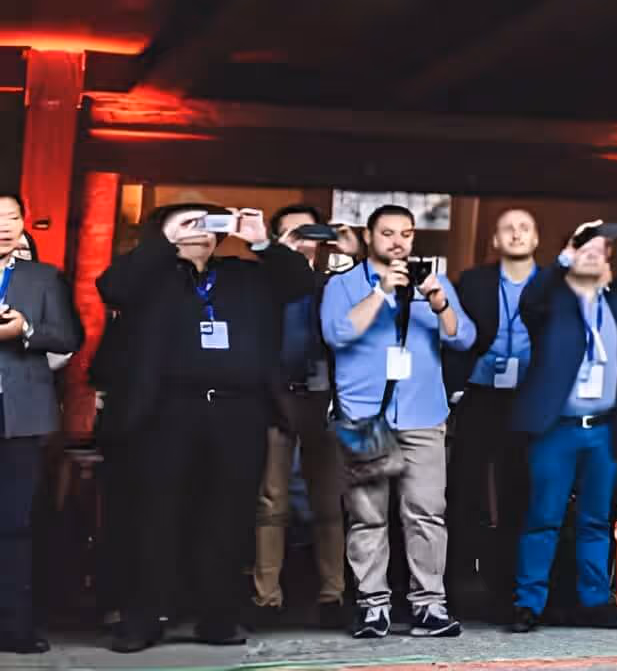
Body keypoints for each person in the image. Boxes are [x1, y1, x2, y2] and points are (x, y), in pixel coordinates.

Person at [102, 203, 318, 652]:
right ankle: (143, 618)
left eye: (207, 223)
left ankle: (217, 617)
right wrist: (164, 244)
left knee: (228, 516)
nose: (198, 230)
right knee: (156, 515)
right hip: (166, 412)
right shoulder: (149, 275)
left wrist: (261, 240)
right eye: (187, 222)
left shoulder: (246, 273)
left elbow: (300, 282)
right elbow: (112, 287)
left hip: (238, 412)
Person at [320, 205, 475, 640]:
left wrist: (437, 298)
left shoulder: (433, 283)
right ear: (370, 237)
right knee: (367, 516)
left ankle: (429, 605)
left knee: (427, 513)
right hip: (366, 415)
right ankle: (373, 606)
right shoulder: (344, 284)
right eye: (387, 233)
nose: (397, 242)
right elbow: (337, 334)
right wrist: (382, 292)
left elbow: (463, 337)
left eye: (405, 234)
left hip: (423, 414)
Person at [503, 220, 617, 636]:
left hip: (603, 429)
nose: (594, 254)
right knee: (543, 517)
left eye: (602, 250)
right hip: (556, 427)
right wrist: (566, 253)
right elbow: (529, 299)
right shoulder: (551, 303)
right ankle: (528, 604)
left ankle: (596, 602)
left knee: (596, 520)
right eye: (586, 249)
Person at [252, 205, 349, 629]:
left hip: (325, 396)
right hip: (274, 396)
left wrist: (347, 255)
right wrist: (279, 256)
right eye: (292, 233)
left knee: (329, 502)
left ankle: (334, 595)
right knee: (270, 501)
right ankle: (265, 596)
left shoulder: (338, 279)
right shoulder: (260, 279)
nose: (303, 240)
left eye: (310, 232)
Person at [444, 208, 544, 616]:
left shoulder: (555, 285)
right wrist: (455, 391)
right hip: (480, 394)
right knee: (463, 489)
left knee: (518, 492)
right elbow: (455, 336)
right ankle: (456, 585)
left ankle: (508, 590)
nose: (517, 234)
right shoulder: (474, 281)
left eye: (525, 227)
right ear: (496, 241)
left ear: (536, 239)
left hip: (530, 397)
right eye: (509, 229)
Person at [0, 195, 84, 656]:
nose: (4, 227)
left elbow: (68, 335)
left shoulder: (42, 277)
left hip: (21, 412)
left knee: (15, 522)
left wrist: (26, 330)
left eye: (12, 218)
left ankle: (14, 626)